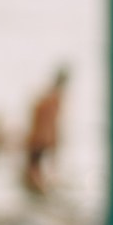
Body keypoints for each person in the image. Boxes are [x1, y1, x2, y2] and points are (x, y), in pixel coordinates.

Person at [21, 67, 72, 199]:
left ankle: (37, 195)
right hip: (41, 138)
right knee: (35, 170)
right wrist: (53, 140)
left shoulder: (47, 95)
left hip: (37, 137)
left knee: (33, 169)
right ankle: (41, 194)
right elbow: (51, 122)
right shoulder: (53, 98)